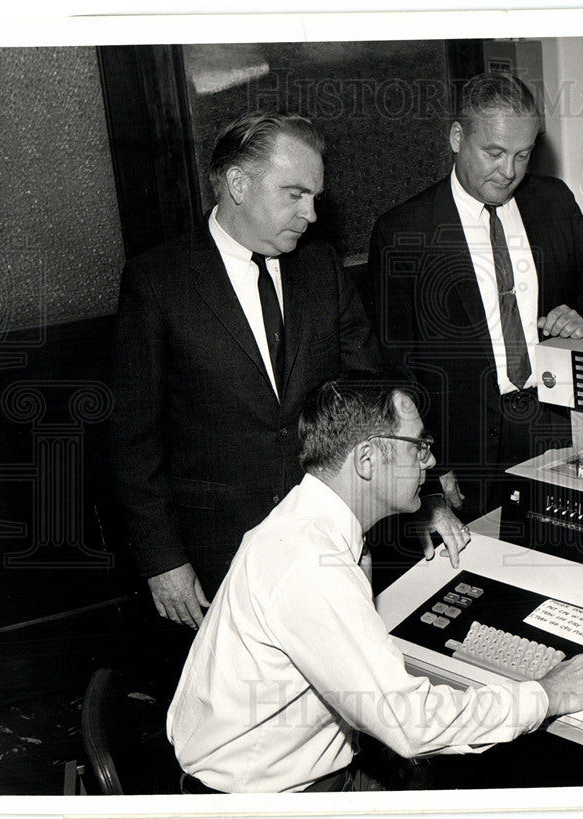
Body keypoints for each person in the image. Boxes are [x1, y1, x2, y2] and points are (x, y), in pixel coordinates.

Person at [167, 372, 583, 793]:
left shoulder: (307, 523)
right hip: (266, 801)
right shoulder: (310, 563)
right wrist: (550, 693)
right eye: (418, 446)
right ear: (367, 460)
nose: (428, 461)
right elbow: (410, 723)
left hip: (285, 773)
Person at [111, 112, 399, 630]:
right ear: (238, 184)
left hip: (324, 542)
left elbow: (367, 393)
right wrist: (163, 561)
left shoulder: (321, 267)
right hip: (215, 553)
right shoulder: (158, 282)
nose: (310, 213)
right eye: (295, 194)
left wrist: (380, 513)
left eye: (315, 197)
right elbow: (134, 441)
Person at [369, 72, 583, 523]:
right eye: (494, 152)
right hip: (460, 453)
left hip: (554, 426)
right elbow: (397, 368)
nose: (509, 171)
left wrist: (581, 313)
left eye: (523, 155)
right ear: (456, 137)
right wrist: (430, 470)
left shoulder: (553, 201)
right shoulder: (402, 232)